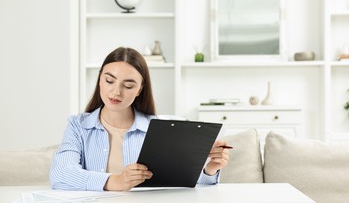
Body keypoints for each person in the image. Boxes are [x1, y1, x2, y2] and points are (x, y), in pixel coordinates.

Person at [50, 47, 229, 191]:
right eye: (109, 81)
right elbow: (60, 174)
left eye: (128, 85)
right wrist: (115, 181)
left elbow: (183, 181)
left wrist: (210, 169)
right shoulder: (78, 126)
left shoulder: (160, 130)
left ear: (139, 89)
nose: (116, 92)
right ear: (99, 80)